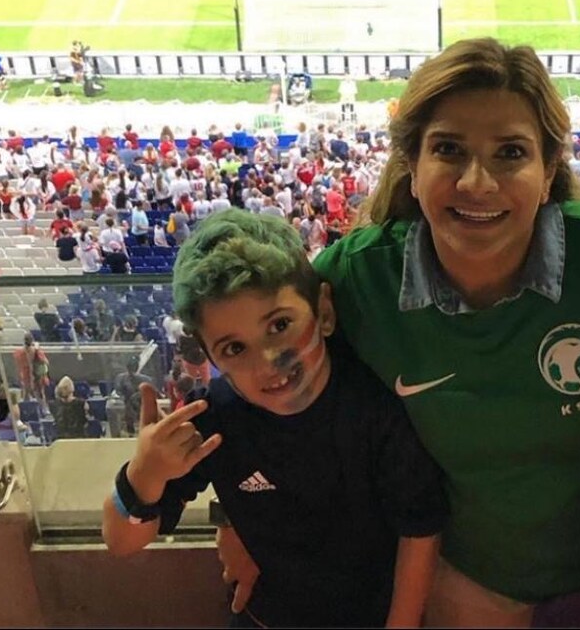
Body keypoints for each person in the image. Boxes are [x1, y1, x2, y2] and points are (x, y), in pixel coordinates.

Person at [219, 37, 580, 627]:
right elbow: (259, 381)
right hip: (458, 590)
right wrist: (238, 518)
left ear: (550, 170)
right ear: (412, 164)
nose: (477, 182)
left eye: (510, 153)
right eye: (449, 149)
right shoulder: (358, 279)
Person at [101, 210, 449, 629]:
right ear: (211, 358)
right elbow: (121, 542)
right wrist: (144, 475)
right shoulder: (214, 419)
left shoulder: (373, 407)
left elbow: (419, 530)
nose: (267, 361)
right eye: (234, 349)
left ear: (323, 311)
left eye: (279, 325)